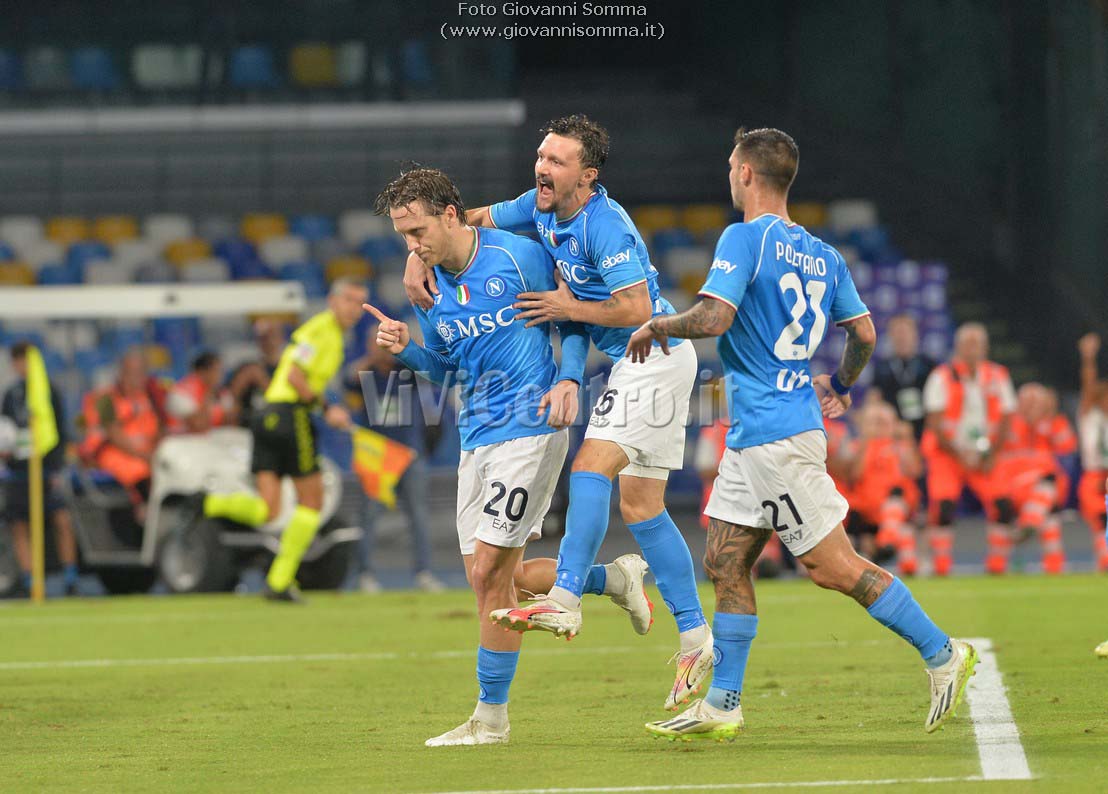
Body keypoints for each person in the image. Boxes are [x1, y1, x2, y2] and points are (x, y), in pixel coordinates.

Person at [625, 127, 976, 740]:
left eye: (731, 166)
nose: (729, 175)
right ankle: (723, 704)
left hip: (776, 437)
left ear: (746, 173)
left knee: (831, 565)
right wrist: (839, 384)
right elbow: (863, 333)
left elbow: (715, 316)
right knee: (726, 560)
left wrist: (658, 325)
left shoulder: (745, 237)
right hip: (760, 435)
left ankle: (944, 652)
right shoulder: (825, 255)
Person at [406, 115, 712, 711]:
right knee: (641, 506)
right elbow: (464, 219)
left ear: (587, 176)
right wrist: (414, 259)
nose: (542, 168)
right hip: (637, 361)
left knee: (590, 468)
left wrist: (569, 308)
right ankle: (696, 637)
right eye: (541, 156)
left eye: (557, 161)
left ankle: (566, 597)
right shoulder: (538, 205)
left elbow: (636, 307)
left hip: (654, 352)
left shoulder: (605, 224)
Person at [372, 167, 650, 746]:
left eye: (418, 231)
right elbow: (447, 369)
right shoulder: (428, 288)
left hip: (531, 427)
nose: (412, 246)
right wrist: (407, 351)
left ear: (451, 214)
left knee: (488, 573)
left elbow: (568, 314)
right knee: (498, 581)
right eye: (403, 237)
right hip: (475, 436)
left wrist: (569, 378)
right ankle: (611, 579)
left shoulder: (518, 255)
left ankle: (490, 719)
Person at [200, 279, 362, 602]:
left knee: (268, 510)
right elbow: (294, 375)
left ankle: (208, 503)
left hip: (267, 416)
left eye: (361, 303)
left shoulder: (328, 333)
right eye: (349, 300)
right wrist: (327, 408)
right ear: (332, 301)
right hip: (290, 415)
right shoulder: (321, 330)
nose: (355, 309)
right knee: (312, 503)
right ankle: (279, 581)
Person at [342, 326, 444, 592]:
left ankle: (423, 572)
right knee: (368, 515)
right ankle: (365, 573)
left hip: (409, 453)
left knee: (418, 516)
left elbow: (429, 366)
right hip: (377, 455)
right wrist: (373, 356)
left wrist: (404, 346)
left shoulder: (406, 372)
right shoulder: (366, 373)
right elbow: (347, 378)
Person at [920, 323, 1016, 576]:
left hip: (986, 454)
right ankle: (941, 566)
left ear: (985, 347)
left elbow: (1007, 418)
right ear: (958, 346)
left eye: (977, 343)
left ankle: (997, 565)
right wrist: (959, 455)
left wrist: (992, 454)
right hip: (947, 454)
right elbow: (935, 424)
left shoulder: (998, 375)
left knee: (1003, 505)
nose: (972, 349)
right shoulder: (941, 376)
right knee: (943, 507)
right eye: (968, 343)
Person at [1, 342, 80, 595]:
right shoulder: (11, 394)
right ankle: (29, 579)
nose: (21, 366)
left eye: (25, 360)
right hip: (19, 470)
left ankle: (70, 577)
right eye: (17, 361)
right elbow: (6, 429)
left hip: (46, 468)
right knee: (19, 524)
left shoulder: (48, 391)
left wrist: (56, 468)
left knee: (61, 520)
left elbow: (59, 432)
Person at [990, 383, 1072, 574]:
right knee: (1038, 507)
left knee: (1048, 492)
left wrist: (1049, 421)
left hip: (1043, 487)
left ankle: (1031, 529)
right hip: (1012, 486)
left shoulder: (1054, 423)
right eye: (1027, 402)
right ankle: (997, 563)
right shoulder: (1007, 424)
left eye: (1036, 403)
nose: (1031, 407)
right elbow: (992, 451)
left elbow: (1067, 448)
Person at [78, 348, 164, 520]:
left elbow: (160, 428)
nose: (135, 378)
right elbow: (113, 434)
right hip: (110, 454)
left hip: (146, 453)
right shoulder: (103, 399)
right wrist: (145, 456)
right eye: (131, 372)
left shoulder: (152, 397)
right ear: (121, 372)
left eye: (141, 372)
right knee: (138, 468)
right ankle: (143, 510)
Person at [845, 401, 922, 575]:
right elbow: (854, 475)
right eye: (875, 422)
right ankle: (884, 545)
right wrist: (865, 442)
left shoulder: (899, 446)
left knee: (896, 501)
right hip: (867, 507)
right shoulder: (859, 446)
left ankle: (888, 541)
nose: (880, 427)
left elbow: (915, 470)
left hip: (896, 507)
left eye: (884, 422)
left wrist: (907, 439)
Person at [873, 314, 935, 439]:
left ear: (915, 335)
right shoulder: (882, 367)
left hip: (926, 427)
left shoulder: (929, 365)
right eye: (897, 333)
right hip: (893, 429)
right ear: (890, 337)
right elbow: (874, 399)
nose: (902, 337)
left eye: (905, 333)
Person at [1076, 333, 1108, 571]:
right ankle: (1104, 557)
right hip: (1094, 473)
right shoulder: (1091, 416)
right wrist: (1088, 358)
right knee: (1100, 518)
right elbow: (1087, 387)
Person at [165, 351, 236, 434]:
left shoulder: (221, 392)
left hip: (211, 436)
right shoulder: (180, 393)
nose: (220, 376)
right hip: (181, 438)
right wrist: (209, 393)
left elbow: (232, 420)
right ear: (201, 372)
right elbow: (198, 425)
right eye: (216, 371)